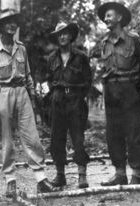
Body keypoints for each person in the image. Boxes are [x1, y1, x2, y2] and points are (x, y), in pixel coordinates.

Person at [0, 9, 58, 198]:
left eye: (14, 22)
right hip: (2, 94)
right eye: (7, 22)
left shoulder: (21, 48)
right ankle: (10, 181)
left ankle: (41, 179)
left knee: (32, 137)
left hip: (22, 93)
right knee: (7, 140)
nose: (12, 25)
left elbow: (28, 75)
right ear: (0, 27)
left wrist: (32, 97)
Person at [94, 2, 140, 185]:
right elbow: (104, 67)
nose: (106, 19)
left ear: (119, 17)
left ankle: (136, 175)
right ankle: (120, 173)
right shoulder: (104, 42)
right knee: (113, 132)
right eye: (105, 17)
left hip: (128, 89)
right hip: (110, 90)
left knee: (133, 130)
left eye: (109, 16)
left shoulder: (133, 39)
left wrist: (136, 85)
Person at [47, 21, 92, 188]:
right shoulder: (51, 59)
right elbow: (49, 80)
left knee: (78, 139)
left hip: (75, 102)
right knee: (56, 139)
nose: (63, 36)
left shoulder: (81, 57)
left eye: (65, 33)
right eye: (59, 34)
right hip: (57, 102)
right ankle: (60, 175)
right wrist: (53, 95)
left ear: (71, 36)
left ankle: (82, 175)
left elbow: (88, 82)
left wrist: (77, 97)